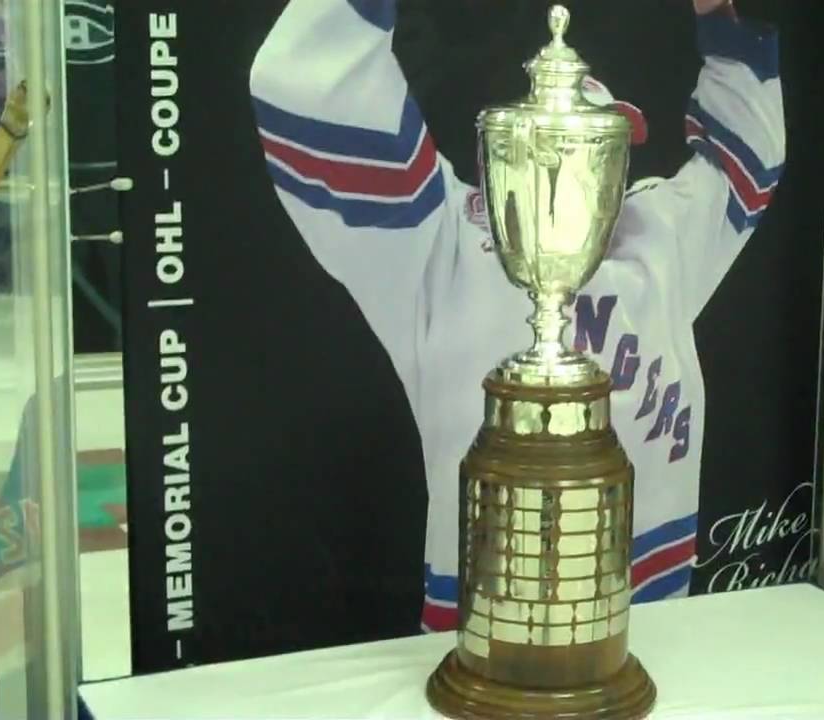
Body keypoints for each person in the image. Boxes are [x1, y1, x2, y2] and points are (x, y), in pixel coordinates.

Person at [248, 0, 786, 632]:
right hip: (489, 631)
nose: (586, 173)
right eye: (558, 152)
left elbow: (747, 158)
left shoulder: (656, 236)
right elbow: (310, 91)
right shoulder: (444, 243)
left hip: (654, 625)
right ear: (503, 158)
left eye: (603, 149)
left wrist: (723, 17)